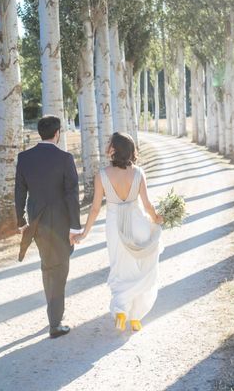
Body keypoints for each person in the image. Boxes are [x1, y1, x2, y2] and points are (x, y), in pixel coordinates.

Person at [76, 132, 164, 332]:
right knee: (143, 268)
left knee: (121, 268)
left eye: (109, 144)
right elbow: (148, 205)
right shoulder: (139, 173)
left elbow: (96, 209)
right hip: (138, 223)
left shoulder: (102, 175)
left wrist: (84, 233)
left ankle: (121, 311)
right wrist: (157, 218)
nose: (107, 146)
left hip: (115, 227)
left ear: (115, 149)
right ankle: (135, 318)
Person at [14, 115, 81, 338]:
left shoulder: (24, 158)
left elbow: (19, 192)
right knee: (60, 268)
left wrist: (21, 221)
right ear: (57, 133)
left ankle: (53, 313)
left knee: (47, 265)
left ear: (39, 133)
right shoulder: (65, 158)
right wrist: (75, 226)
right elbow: (72, 195)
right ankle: (55, 322)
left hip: (36, 222)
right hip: (61, 222)